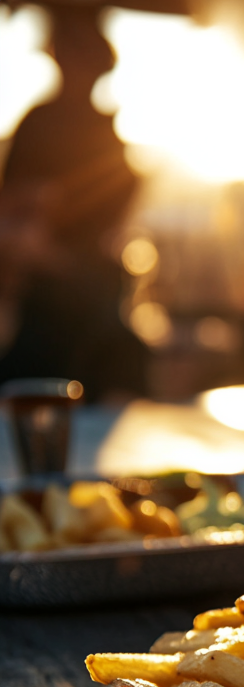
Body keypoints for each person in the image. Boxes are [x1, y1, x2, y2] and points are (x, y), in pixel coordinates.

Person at [0, 5, 146, 401]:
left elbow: (111, 219)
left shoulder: (103, 131)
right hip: (51, 301)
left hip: (89, 296)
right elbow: (15, 210)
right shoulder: (40, 123)